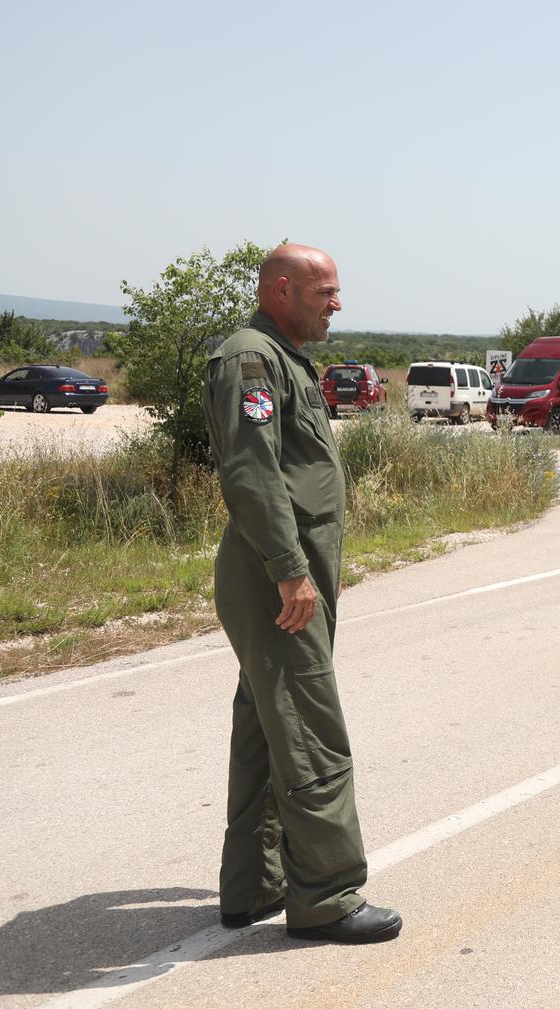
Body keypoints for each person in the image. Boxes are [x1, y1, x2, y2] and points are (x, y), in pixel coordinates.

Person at [202, 243, 402, 944]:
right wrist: (291, 569)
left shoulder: (281, 358)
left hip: (284, 569)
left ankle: (254, 883)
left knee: (267, 721)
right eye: (326, 292)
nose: (337, 304)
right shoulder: (250, 359)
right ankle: (327, 898)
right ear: (282, 289)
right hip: (275, 575)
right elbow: (252, 473)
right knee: (311, 725)